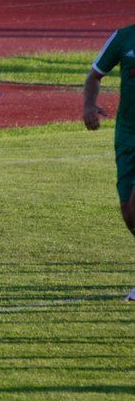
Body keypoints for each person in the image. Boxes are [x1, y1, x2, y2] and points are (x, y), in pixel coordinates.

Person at [83, 23, 135, 302]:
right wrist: (89, 105)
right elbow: (94, 77)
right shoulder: (124, 37)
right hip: (127, 135)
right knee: (128, 212)